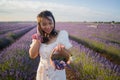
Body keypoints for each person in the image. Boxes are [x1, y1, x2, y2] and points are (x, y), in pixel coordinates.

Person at [29, 10, 73, 80]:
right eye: (44, 24)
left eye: (50, 23)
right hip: (42, 73)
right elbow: (32, 55)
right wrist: (38, 37)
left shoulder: (61, 36)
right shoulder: (37, 38)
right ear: (39, 25)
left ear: (54, 22)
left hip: (57, 74)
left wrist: (63, 52)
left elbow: (70, 58)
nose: (48, 26)